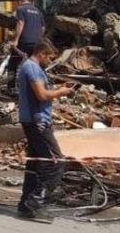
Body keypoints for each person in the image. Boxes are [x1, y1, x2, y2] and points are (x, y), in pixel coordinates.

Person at [16, 38, 74, 217]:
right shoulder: (32, 68)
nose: (50, 61)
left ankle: (25, 204)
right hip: (37, 121)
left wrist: (58, 89)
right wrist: (61, 92)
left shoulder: (32, 67)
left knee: (35, 163)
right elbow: (41, 95)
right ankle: (36, 200)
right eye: (49, 58)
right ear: (41, 54)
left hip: (33, 120)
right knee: (55, 162)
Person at [6, 0, 45, 93]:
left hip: (24, 42)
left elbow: (20, 23)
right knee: (36, 65)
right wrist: (39, 40)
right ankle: (40, 88)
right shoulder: (38, 11)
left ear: (20, 1)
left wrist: (15, 40)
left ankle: (11, 88)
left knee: (12, 63)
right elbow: (43, 28)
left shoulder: (21, 9)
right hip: (36, 43)